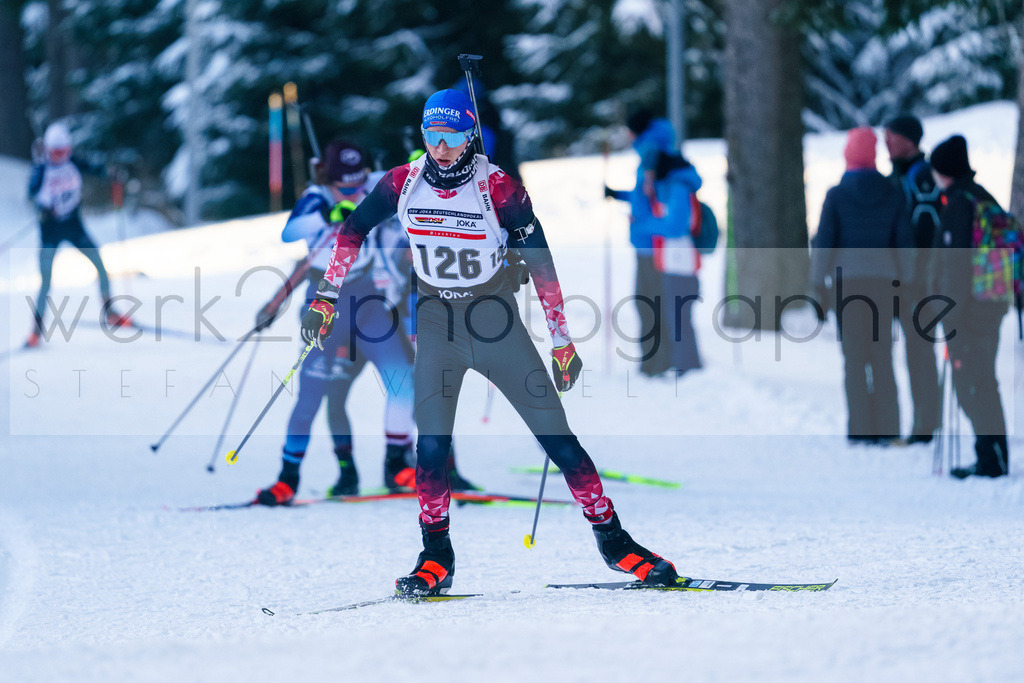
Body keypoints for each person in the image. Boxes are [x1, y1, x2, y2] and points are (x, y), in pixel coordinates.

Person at [301, 89, 679, 595]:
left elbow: (542, 265)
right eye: (431, 135)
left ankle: (615, 542)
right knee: (431, 449)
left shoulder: (499, 188)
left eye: (451, 136)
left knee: (559, 442)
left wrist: (561, 341)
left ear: (469, 135)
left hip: (495, 324)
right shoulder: (403, 182)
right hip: (437, 325)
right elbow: (352, 231)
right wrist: (326, 296)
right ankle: (436, 556)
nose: (440, 147)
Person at [253, 139, 476, 506]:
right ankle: (287, 478)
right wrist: (329, 214)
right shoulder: (316, 197)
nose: (355, 191)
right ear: (327, 177)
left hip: (369, 301)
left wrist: (419, 163)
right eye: (345, 186)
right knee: (311, 396)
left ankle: (396, 466)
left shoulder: (368, 182)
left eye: (359, 183)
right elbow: (290, 232)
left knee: (405, 381)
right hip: (327, 303)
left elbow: (405, 175)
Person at [810, 127, 914, 445]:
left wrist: (818, 285)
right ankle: (888, 427)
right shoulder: (893, 192)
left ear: (847, 155)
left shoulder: (837, 195)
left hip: (847, 285)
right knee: (882, 356)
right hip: (884, 285)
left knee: (854, 359)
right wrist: (906, 281)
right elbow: (904, 243)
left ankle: (860, 429)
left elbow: (824, 245)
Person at [929, 135, 1010, 479]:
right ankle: (992, 456)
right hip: (990, 303)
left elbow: (956, 267)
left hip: (968, 311)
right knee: (982, 380)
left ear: (944, 170)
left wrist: (949, 312)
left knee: (971, 384)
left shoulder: (960, 205)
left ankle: (992, 461)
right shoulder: (982, 197)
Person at [26, 122, 129, 347]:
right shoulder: (41, 169)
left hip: (74, 226)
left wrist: (111, 174)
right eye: (56, 152)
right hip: (50, 232)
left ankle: (110, 312)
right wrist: (42, 208)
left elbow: (95, 168)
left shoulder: (72, 162)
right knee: (46, 280)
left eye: (64, 151)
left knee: (100, 264)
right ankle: (35, 330)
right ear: (48, 150)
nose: (60, 156)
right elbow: (31, 193)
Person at [605, 109, 677, 375]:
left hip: (651, 245)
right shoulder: (654, 148)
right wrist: (618, 194)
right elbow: (643, 196)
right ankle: (657, 360)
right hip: (650, 243)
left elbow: (654, 199)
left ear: (634, 130)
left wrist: (640, 223)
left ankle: (656, 362)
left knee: (647, 301)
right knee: (649, 300)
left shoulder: (650, 152)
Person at [883, 115, 941, 445]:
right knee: (916, 352)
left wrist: (917, 276)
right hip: (905, 280)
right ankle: (924, 423)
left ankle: (925, 426)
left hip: (919, 283)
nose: (886, 142)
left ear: (909, 140)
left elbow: (924, 229)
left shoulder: (921, 175)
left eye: (890, 136)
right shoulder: (905, 173)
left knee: (919, 351)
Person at [648, 151, 705, 376]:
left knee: (679, 318)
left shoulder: (679, 189)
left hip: (681, 263)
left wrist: (645, 225)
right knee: (678, 317)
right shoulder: (676, 187)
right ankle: (686, 364)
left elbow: (675, 227)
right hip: (678, 262)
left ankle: (687, 367)